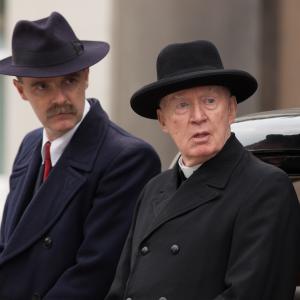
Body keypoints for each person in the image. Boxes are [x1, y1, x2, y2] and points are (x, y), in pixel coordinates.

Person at [105, 40, 300, 300]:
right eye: (182, 105)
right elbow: (120, 290)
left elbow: (251, 294)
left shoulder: (266, 188)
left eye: (209, 101)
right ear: (163, 119)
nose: (198, 116)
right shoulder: (153, 190)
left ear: (231, 109)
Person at [0, 12, 161, 300]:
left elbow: (95, 275)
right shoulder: (30, 146)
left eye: (69, 81)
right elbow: (9, 249)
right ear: (20, 89)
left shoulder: (128, 159)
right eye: (42, 86)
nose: (60, 98)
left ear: (86, 76)